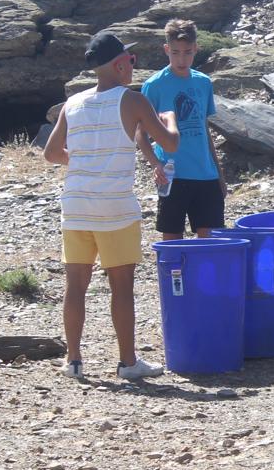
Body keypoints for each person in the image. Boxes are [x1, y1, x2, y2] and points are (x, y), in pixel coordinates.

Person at [43, 31, 180, 380]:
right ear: (119, 65)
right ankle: (127, 362)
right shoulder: (131, 101)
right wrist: (170, 119)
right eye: (130, 61)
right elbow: (170, 144)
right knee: (121, 287)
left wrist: (83, 158)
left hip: (75, 206)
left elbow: (51, 154)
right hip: (115, 207)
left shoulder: (73, 103)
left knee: (75, 285)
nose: (133, 66)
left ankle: (73, 360)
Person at [136, 19, 227, 239]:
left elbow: (204, 130)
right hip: (172, 176)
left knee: (211, 244)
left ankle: (202, 276)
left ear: (196, 49)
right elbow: (141, 133)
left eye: (187, 52)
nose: (181, 59)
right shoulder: (154, 85)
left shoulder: (203, 82)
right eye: (175, 52)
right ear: (167, 50)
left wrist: (219, 175)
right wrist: (156, 165)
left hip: (206, 175)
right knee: (172, 243)